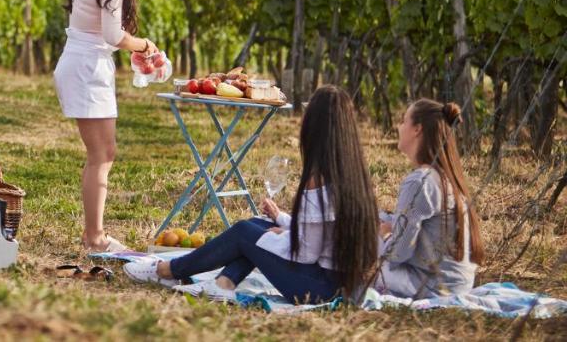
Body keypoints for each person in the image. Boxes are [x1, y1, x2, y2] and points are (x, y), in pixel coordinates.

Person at [129, 85, 380, 305]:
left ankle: (166, 270)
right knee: (256, 225)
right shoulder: (353, 175)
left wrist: (276, 238)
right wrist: (280, 221)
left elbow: (305, 254)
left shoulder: (318, 179)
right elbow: (320, 234)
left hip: (316, 288)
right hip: (337, 281)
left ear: (315, 127)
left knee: (243, 232)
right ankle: (223, 284)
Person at [54, 0, 161, 253]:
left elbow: (101, 34)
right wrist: (145, 45)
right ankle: (95, 237)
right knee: (101, 154)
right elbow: (114, 35)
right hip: (87, 70)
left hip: (85, 64)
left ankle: (94, 233)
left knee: (103, 152)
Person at [373, 99, 483, 298]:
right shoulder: (444, 176)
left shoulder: (420, 182)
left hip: (432, 287)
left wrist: (386, 234)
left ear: (417, 129)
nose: (399, 127)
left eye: (404, 121)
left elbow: (398, 254)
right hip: (457, 285)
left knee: (357, 243)